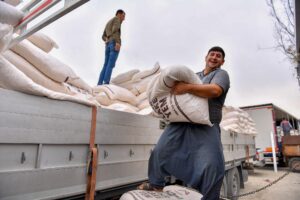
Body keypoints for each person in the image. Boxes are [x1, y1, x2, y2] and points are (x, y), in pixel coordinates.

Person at [138, 46, 230, 200]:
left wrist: (187, 88)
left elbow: (215, 91)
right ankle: (156, 184)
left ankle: (210, 197)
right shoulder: (194, 75)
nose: (214, 57)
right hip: (182, 121)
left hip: (207, 125)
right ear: (206, 57)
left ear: (222, 61)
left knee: (213, 164)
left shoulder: (221, 74)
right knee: (160, 151)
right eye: (212, 54)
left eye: (218, 56)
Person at [97, 9, 125, 85]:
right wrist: (118, 43)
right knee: (110, 65)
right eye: (123, 16)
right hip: (114, 43)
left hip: (108, 44)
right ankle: (106, 83)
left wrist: (106, 39)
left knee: (105, 65)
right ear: (119, 14)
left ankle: (99, 84)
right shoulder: (116, 19)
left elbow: (103, 36)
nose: (124, 18)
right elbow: (115, 30)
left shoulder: (108, 22)